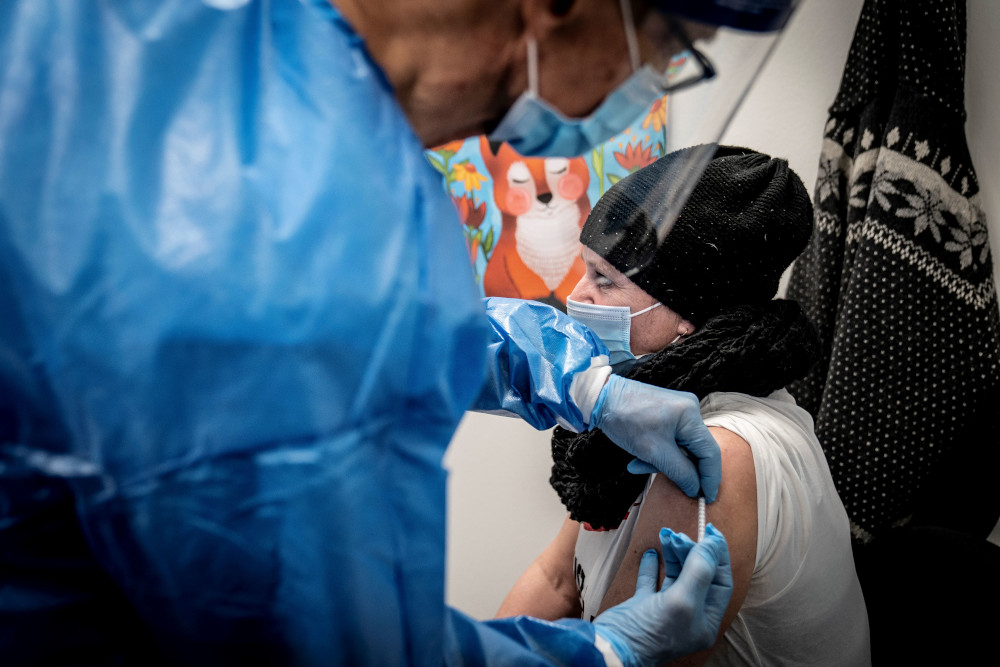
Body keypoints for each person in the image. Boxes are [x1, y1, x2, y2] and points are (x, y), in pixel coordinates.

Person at [0, 1, 797, 664]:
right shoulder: (304, 216)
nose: (648, 83)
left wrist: (575, 378)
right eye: (668, 49)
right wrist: (601, 655)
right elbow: (331, 645)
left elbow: (368, 330)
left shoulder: (188, 44)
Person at [498, 146, 871, 665]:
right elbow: (556, 579)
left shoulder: (715, 454)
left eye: (605, 280)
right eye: (584, 270)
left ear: (690, 315)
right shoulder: (640, 408)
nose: (576, 299)